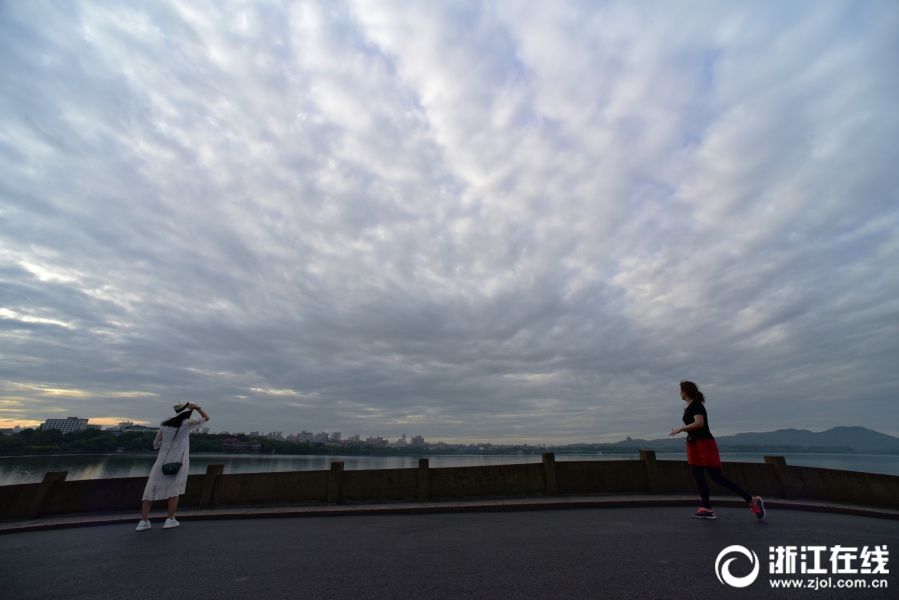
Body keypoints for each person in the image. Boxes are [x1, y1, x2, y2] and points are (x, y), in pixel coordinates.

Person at [669, 381, 765, 520]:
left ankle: (752, 501)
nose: (679, 393)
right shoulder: (689, 406)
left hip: (705, 444)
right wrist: (689, 436)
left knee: (716, 477)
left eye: (680, 390)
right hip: (694, 444)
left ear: (685, 392)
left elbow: (699, 423)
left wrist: (681, 429)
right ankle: (707, 509)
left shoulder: (697, 405)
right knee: (698, 476)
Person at [136, 402, 210, 531]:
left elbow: (156, 444)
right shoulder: (186, 424)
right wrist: (198, 408)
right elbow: (206, 418)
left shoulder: (164, 425)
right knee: (174, 491)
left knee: (151, 490)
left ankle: (143, 521)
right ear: (188, 412)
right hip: (179, 461)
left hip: (162, 462)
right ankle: (170, 519)